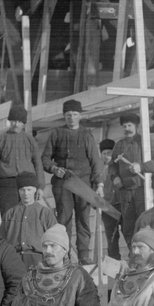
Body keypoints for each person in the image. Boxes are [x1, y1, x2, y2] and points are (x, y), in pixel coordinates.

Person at [41, 98, 104, 264]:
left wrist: (99, 184)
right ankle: (65, 256)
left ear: (80, 116)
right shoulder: (56, 134)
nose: (72, 117)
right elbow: (45, 159)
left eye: (75, 114)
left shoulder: (86, 135)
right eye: (68, 114)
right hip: (63, 184)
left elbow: (96, 161)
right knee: (63, 221)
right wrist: (54, 168)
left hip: (83, 183)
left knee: (83, 219)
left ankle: (84, 256)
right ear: (64, 116)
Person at [110, 114, 154, 251]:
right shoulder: (119, 145)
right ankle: (133, 254)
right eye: (124, 126)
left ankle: (147, 253)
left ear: (136, 126)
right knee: (128, 227)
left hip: (142, 190)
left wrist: (142, 167)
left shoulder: (145, 142)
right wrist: (115, 177)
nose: (127, 128)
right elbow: (112, 165)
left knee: (144, 223)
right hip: (125, 192)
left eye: (130, 125)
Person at [0, 103, 43, 218]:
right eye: (13, 121)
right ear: (9, 121)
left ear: (24, 123)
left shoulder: (30, 140)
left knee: (28, 215)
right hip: (7, 184)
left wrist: (40, 187)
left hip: (28, 183)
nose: (16, 124)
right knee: (8, 215)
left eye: (19, 121)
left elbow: (38, 164)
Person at [2, 171, 57, 270]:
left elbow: (55, 240)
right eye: (22, 190)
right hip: (14, 260)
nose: (26, 193)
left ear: (35, 189)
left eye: (29, 189)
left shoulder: (45, 213)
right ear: (18, 191)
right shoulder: (10, 214)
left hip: (38, 260)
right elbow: (0, 240)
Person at [98, 138, 122, 260]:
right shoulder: (98, 170)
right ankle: (115, 263)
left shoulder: (119, 167)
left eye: (109, 153)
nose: (107, 156)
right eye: (104, 153)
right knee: (111, 239)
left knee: (129, 233)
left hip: (122, 204)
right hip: (107, 208)